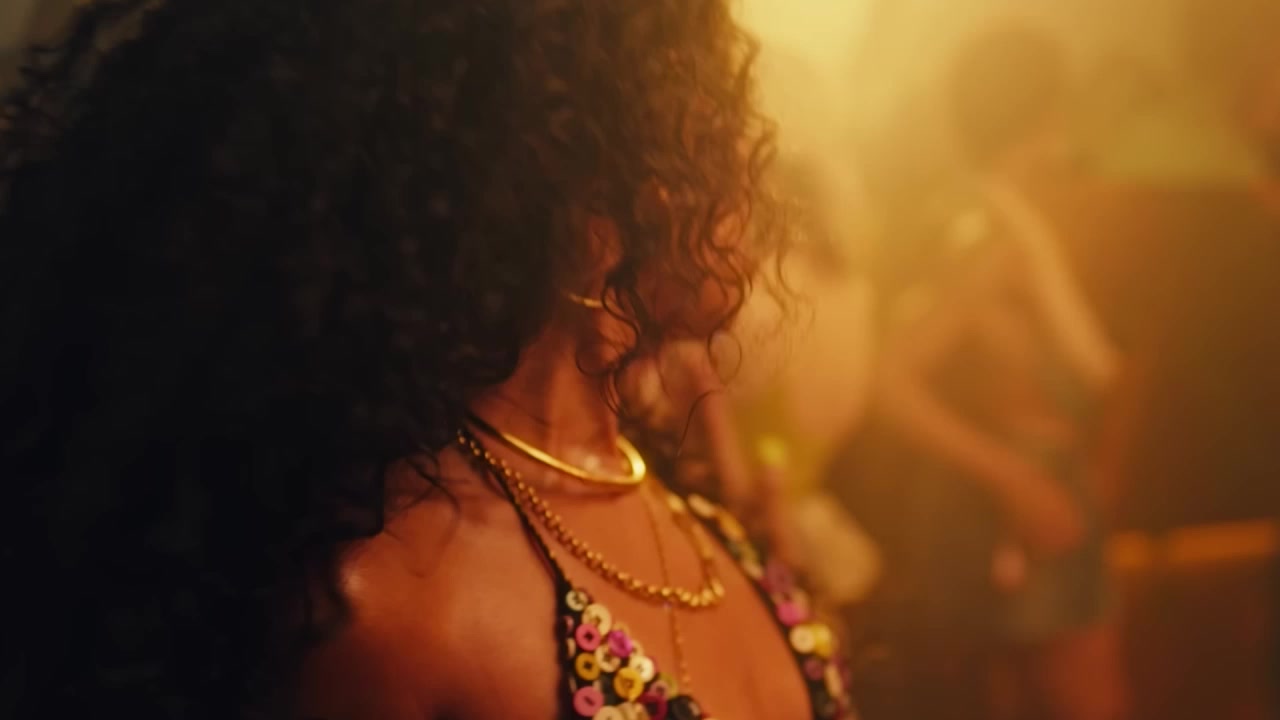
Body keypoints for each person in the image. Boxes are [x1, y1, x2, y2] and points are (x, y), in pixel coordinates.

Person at [0, 2, 854, 719]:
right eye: (709, 97)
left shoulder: (686, 506)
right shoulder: (388, 607)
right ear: (583, 164)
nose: (750, 150)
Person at [832, 22, 1126, 720]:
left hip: (1038, 495)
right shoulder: (990, 237)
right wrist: (1016, 478)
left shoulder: (1009, 225)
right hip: (1017, 508)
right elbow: (889, 382)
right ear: (1045, 117)